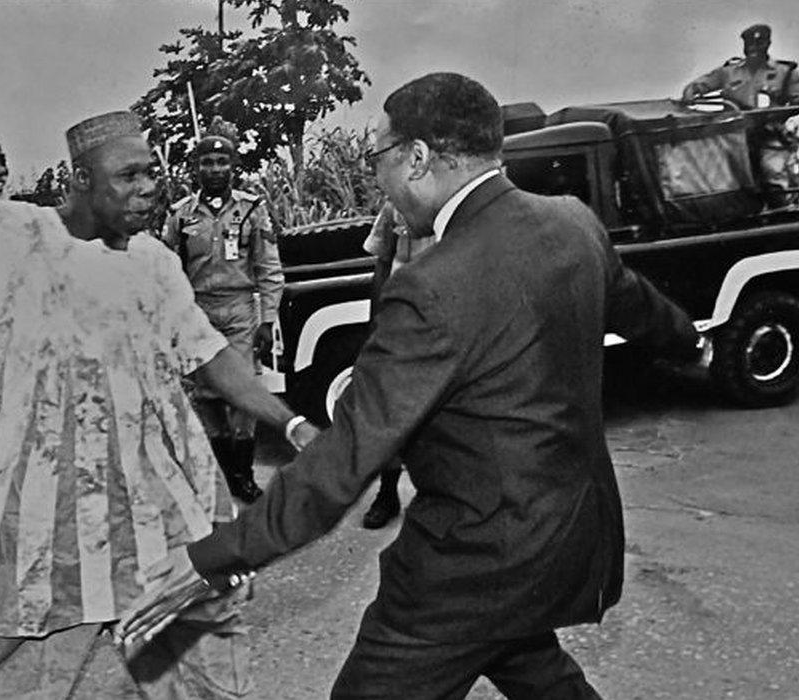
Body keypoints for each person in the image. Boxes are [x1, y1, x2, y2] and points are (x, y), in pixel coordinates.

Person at [138, 72, 708, 699]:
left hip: (471, 565)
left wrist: (211, 559)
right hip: (567, 536)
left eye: (377, 156)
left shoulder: (432, 284)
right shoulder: (572, 223)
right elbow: (639, 308)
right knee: (531, 664)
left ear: (416, 158)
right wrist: (695, 343)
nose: (375, 177)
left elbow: (346, 458)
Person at [0, 5, 316, 696]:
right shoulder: (8, 236)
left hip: (149, 506)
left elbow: (209, 355)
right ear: (80, 180)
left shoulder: (154, 264)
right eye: (129, 177)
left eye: (151, 174)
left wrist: (288, 422)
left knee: (208, 677)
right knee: (35, 678)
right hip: (42, 519)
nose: (149, 188)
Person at [161, 125, 284, 503]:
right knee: (205, 396)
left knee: (241, 394)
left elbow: (268, 267)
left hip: (239, 312)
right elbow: (168, 271)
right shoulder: (180, 216)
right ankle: (225, 477)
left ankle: (244, 477)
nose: (214, 169)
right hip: (198, 312)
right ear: (195, 169)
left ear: (233, 166)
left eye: (221, 162)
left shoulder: (251, 210)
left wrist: (267, 319)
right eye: (206, 162)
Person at [359, 200, 436, 529]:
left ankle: (438, 496)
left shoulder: (459, 199)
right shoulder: (395, 207)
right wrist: (376, 321)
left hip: (445, 317)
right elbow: (382, 262)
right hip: (400, 319)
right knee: (390, 412)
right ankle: (387, 494)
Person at [681, 23, 799, 207]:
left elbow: (796, 103)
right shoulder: (728, 73)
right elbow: (700, 85)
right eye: (749, 44)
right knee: (725, 183)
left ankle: (782, 211)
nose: (753, 49)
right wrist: (691, 91)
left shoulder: (785, 73)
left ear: (768, 44)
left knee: (773, 176)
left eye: (759, 44)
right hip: (734, 138)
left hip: (769, 136)